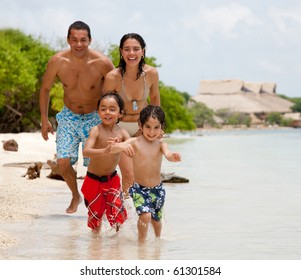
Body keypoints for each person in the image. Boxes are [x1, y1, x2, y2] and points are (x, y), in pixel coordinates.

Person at [39, 21, 115, 214]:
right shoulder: (57, 61)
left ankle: (97, 203)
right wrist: (44, 119)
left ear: (90, 40)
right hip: (69, 117)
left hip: (95, 119)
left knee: (96, 167)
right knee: (63, 162)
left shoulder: (103, 63)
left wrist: (114, 121)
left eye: (83, 40)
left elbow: (115, 92)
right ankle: (75, 195)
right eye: (74, 40)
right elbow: (45, 88)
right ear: (68, 40)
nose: (79, 44)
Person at [110, 105, 181, 242]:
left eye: (156, 127)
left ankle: (157, 241)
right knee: (145, 215)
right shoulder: (135, 142)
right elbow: (113, 149)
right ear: (140, 125)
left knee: (156, 220)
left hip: (158, 189)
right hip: (139, 189)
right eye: (148, 126)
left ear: (162, 127)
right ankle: (141, 243)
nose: (152, 131)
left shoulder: (161, 144)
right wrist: (117, 145)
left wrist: (174, 157)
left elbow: (169, 155)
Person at [103, 33, 160, 196]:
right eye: (127, 49)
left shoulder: (151, 74)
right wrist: (108, 132)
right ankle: (122, 214)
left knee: (144, 175)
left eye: (136, 49)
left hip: (143, 128)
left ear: (143, 51)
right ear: (121, 52)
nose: (131, 53)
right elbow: (104, 107)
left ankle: (140, 213)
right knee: (129, 175)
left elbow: (155, 99)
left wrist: (157, 128)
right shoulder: (113, 77)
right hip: (120, 128)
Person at [81, 91, 129, 234]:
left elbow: (134, 144)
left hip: (112, 179)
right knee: (95, 219)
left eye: (112, 109)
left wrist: (122, 145)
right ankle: (96, 248)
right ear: (98, 112)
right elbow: (86, 151)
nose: (107, 112)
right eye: (103, 109)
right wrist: (105, 150)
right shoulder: (96, 130)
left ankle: (116, 247)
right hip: (93, 181)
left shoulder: (122, 133)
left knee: (117, 213)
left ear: (121, 113)